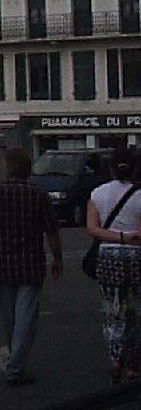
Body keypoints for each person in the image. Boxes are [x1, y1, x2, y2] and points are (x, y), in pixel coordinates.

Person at [0, 147, 62, 386]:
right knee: (26, 317)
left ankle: (15, 358)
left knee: (9, 318)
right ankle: (16, 366)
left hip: (4, 265)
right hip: (31, 265)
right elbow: (52, 232)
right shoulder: (39, 195)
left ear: (7, 169)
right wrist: (58, 260)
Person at [86, 147, 141, 385]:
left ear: (110, 168)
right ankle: (134, 364)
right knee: (136, 312)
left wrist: (117, 237)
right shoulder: (139, 194)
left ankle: (115, 359)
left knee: (113, 311)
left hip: (108, 256)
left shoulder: (97, 193)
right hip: (136, 256)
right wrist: (130, 237)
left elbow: (92, 228)